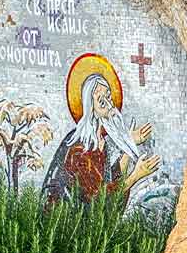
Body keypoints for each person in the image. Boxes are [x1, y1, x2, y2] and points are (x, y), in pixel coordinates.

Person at [42, 74, 161, 204]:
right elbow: (98, 197)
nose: (109, 104)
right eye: (101, 99)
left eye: (108, 96)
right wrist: (135, 176)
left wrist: (129, 145)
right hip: (65, 218)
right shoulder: (79, 146)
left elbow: (108, 180)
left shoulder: (100, 141)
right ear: (90, 105)